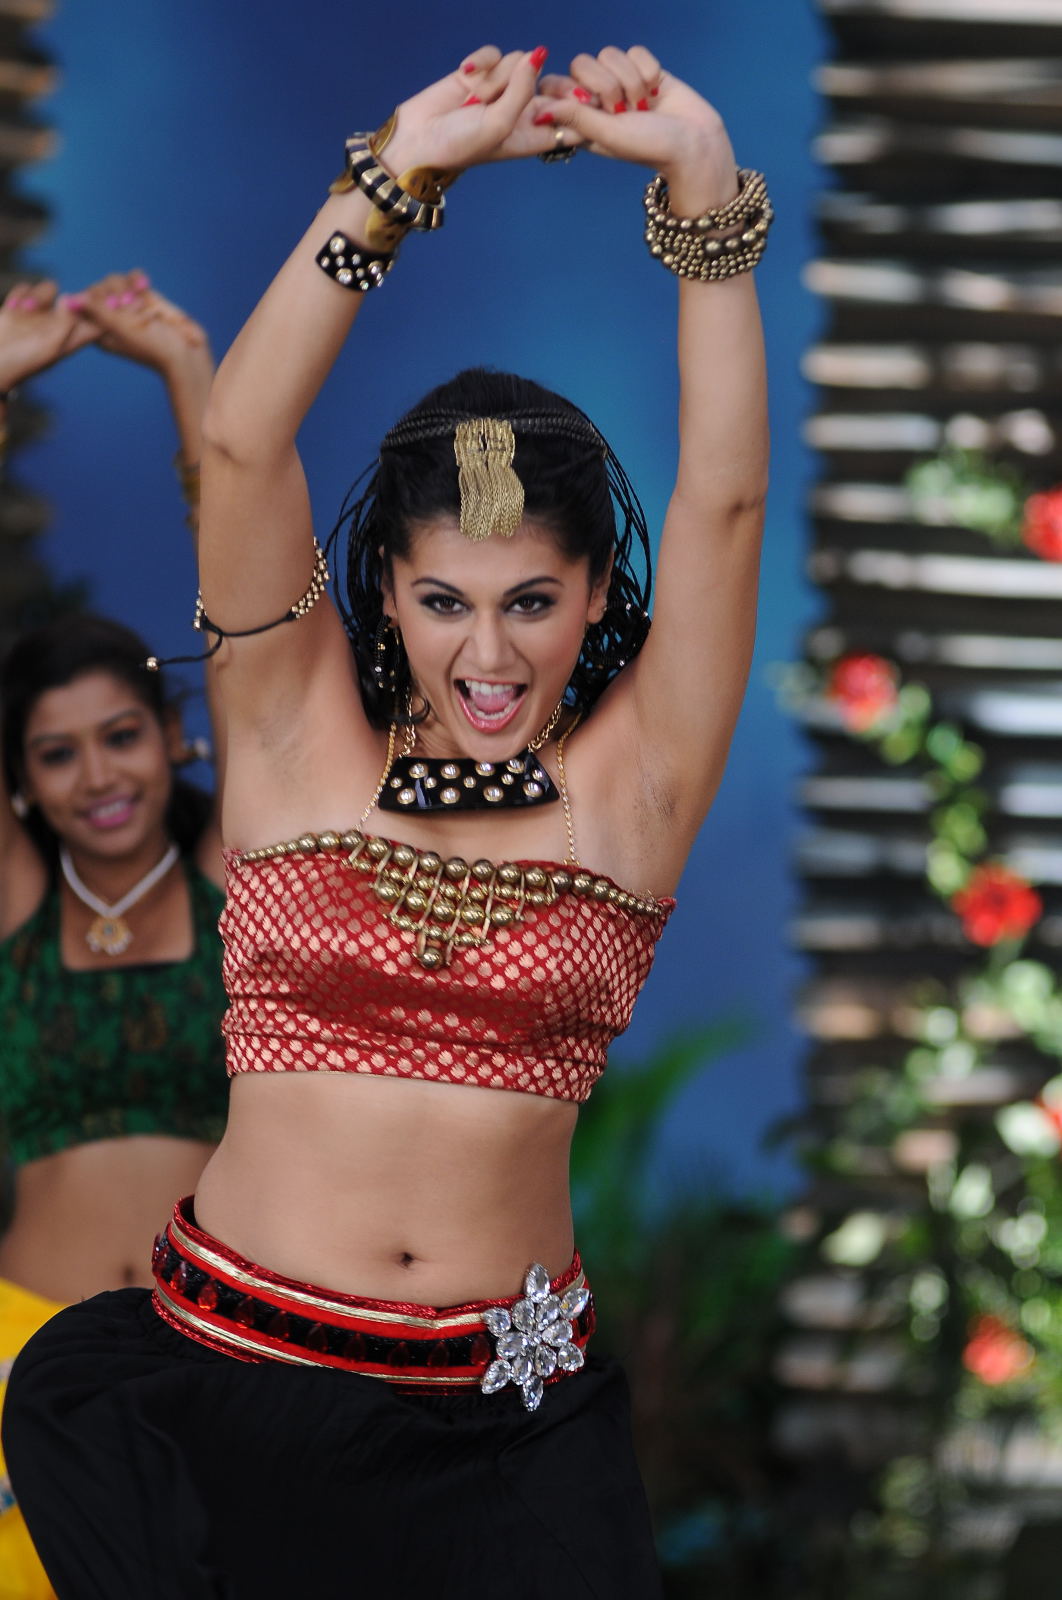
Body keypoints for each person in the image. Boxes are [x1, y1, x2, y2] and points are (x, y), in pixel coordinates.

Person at [3, 42, 769, 1599]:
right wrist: (397, 172)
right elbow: (239, 443)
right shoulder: (287, 733)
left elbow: (724, 502)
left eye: (530, 602)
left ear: (596, 598)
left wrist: (700, 185)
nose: (487, 654)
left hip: (503, 1450)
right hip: (226, 1403)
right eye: (442, 602)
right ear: (382, 591)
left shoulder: (638, 785)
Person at [0, 277, 228, 1597]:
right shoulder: (18, 912)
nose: (98, 776)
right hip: (15, 1368)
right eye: (57, 753)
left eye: (123, 735)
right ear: (24, 786)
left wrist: (188, 373)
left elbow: (253, 626)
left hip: (210, 1369)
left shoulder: (233, 882)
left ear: (174, 738)